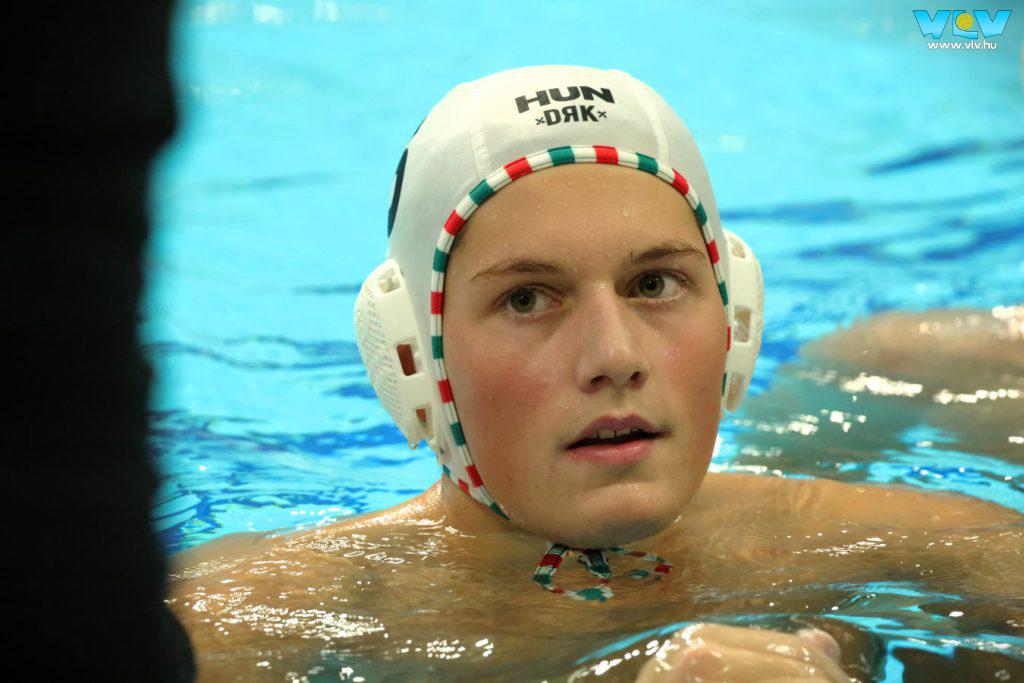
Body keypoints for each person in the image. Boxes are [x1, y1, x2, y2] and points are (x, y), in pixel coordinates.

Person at [166, 65, 1022, 682]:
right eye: (528, 298)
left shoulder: (931, 549)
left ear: (737, 320)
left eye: (656, 284)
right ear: (413, 357)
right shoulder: (244, 617)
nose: (615, 356)